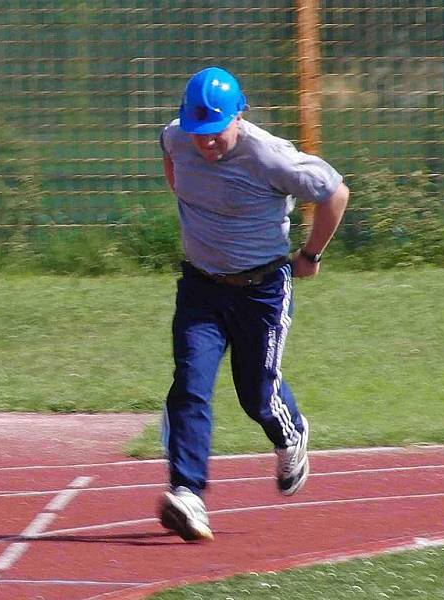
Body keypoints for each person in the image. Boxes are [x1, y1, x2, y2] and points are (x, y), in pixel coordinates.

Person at [157, 66, 349, 541]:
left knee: (256, 393)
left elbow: (335, 193)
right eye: (198, 134)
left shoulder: (270, 157)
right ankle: (188, 494)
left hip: (261, 290)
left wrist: (311, 254)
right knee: (190, 384)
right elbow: (171, 161)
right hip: (201, 286)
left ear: (239, 116)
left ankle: (290, 435)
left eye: (215, 134)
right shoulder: (176, 138)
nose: (205, 144)